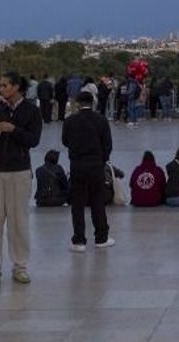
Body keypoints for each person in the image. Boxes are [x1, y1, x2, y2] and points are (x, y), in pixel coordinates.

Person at [0, 72, 43, 289]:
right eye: (1, 85)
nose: (2, 89)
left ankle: (20, 265)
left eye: (6, 85)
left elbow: (33, 140)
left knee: (18, 221)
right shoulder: (0, 109)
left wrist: (14, 129)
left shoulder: (31, 111)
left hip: (19, 170)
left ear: (17, 87)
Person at [60, 89, 114, 250]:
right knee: (97, 201)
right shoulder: (101, 120)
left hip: (77, 165)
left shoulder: (70, 121)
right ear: (93, 103)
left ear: (77, 103)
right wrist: (101, 159)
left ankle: (79, 240)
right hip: (96, 165)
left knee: (77, 204)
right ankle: (101, 237)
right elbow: (108, 145)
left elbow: (65, 141)